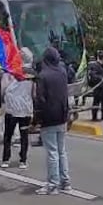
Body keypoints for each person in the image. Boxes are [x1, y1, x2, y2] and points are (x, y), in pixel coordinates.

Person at [35, 48, 71, 195]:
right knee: (61, 151)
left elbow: (40, 99)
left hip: (49, 117)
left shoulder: (43, 76)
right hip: (62, 115)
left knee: (52, 152)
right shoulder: (62, 73)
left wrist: (37, 118)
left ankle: (53, 184)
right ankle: (65, 181)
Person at [0, 67, 34, 169]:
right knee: (24, 136)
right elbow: (34, 94)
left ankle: (6, 159)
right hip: (25, 111)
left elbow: (2, 91)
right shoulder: (30, 78)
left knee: (8, 136)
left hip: (11, 111)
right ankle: (23, 160)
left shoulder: (7, 76)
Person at [87, 51, 103, 121]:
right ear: (102, 58)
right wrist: (101, 78)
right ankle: (94, 117)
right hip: (98, 87)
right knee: (96, 102)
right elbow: (93, 75)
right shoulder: (95, 65)